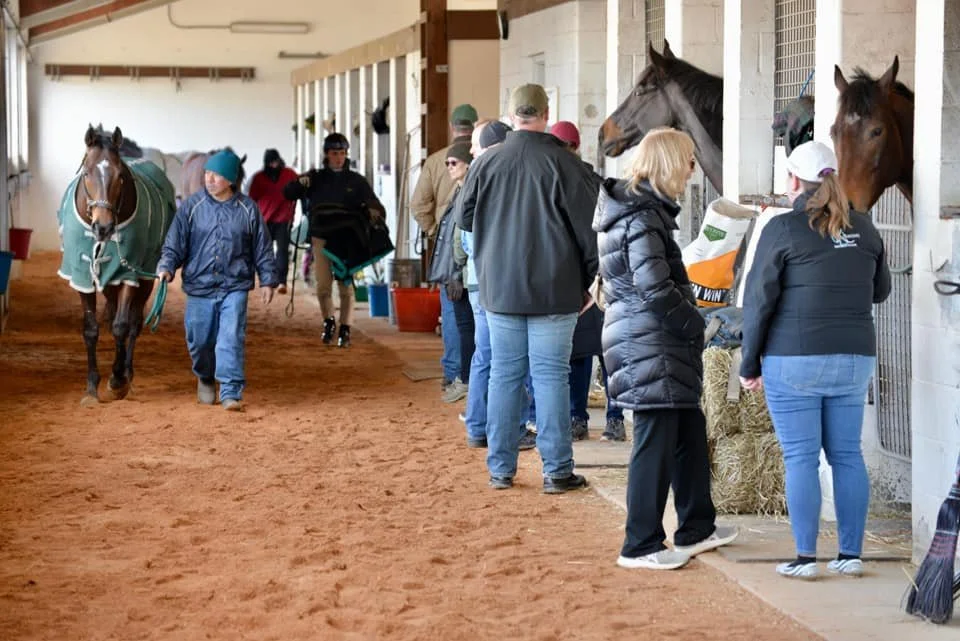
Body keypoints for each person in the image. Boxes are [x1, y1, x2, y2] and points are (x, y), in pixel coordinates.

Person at [739, 141, 891, 580]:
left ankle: (806, 558)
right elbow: (880, 290)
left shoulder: (782, 228)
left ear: (792, 181)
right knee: (847, 455)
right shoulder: (865, 227)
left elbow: (758, 302)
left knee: (801, 458)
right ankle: (851, 555)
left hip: (795, 358)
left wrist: (749, 365)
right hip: (855, 356)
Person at [594, 127, 738, 570]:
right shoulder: (641, 217)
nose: (693, 170)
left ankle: (696, 526)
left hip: (650, 338)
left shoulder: (641, 211)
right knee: (655, 440)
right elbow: (655, 288)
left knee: (688, 432)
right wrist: (698, 325)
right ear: (671, 164)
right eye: (690, 161)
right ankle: (640, 544)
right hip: (648, 341)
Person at [456, 84, 597, 494]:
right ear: (547, 112)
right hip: (556, 288)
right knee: (551, 376)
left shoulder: (486, 163)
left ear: (512, 114)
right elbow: (591, 233)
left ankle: (501, 469)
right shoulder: (567, 165)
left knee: (504, 374)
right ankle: (557, 471)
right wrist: (591, 280)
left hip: (499, 288)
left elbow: (466, 218)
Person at [156, 149, 278, 412]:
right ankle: (205, 376)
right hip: (199, 287)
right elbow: (175, 242)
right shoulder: (192, 207)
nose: (209, 179)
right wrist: (167, 265)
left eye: (217, 175)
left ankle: (231, 391)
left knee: (230, 337)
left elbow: (262, 248)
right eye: (207, 174)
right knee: (199, 341)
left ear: (231, 179)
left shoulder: (248, 210)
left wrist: (268, 280)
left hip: (235, 286)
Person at [459, 119, 536, 451]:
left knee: (486, 356)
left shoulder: (478, 175)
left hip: (480, 280)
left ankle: (478, 426)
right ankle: (510, 427)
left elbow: (466, 239)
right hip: (496, 281)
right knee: (507, 357)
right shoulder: (493, 175)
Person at [547, 120, 625, 442]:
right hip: (595, 277)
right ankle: (599, 417)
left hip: (590, 277)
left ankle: (597, 416)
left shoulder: (581, 184)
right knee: (596, 352)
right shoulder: (595, 183)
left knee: (592, 353)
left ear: (575, 149)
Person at [283, 133, 386, 348]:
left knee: (345, 285)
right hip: (321, 236)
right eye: (334, 153)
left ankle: (346, 327)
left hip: (347, 238)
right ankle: (328, 320)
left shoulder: (356, 181)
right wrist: (299, 184)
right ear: (327, 154)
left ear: (346, 154)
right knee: (323, 284)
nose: (338, 157)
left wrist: (374, 212)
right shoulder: (315, 178)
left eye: (341, 153)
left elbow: (374, 203)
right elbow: (289, 193)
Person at [410, 103, 478, 396]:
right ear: (474, 126)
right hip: (477, 250)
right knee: (477, 318)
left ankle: (453, 375)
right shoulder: (482, 159)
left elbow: (418, 204)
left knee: (452, 315)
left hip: (448, 248)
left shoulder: (438, 160)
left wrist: (434, 230)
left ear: (452, 127)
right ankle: (470, 375)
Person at [427, 142, 475, 403]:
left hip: (465, 275)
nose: (449, 168)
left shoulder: (468, 193)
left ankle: (465, 379)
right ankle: (464, 378)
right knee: (463, 326)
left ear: (468, 163)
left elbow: (462, 238)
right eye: (447, 163)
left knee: (467, 329)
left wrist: (456, 272)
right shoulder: (459, 191)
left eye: (453, 163)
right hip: (457, 273)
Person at [247, 149, 298, 294]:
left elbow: (300, 187)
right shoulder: (259, 178)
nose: (274, 165)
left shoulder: (289, 174)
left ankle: (282, 281)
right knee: (265, 251)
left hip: (283, 219)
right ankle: (268, 279)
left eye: (276, 161)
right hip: (264, 220)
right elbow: (252, 200)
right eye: (271, 162)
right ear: (266, 163)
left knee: (282, 251)